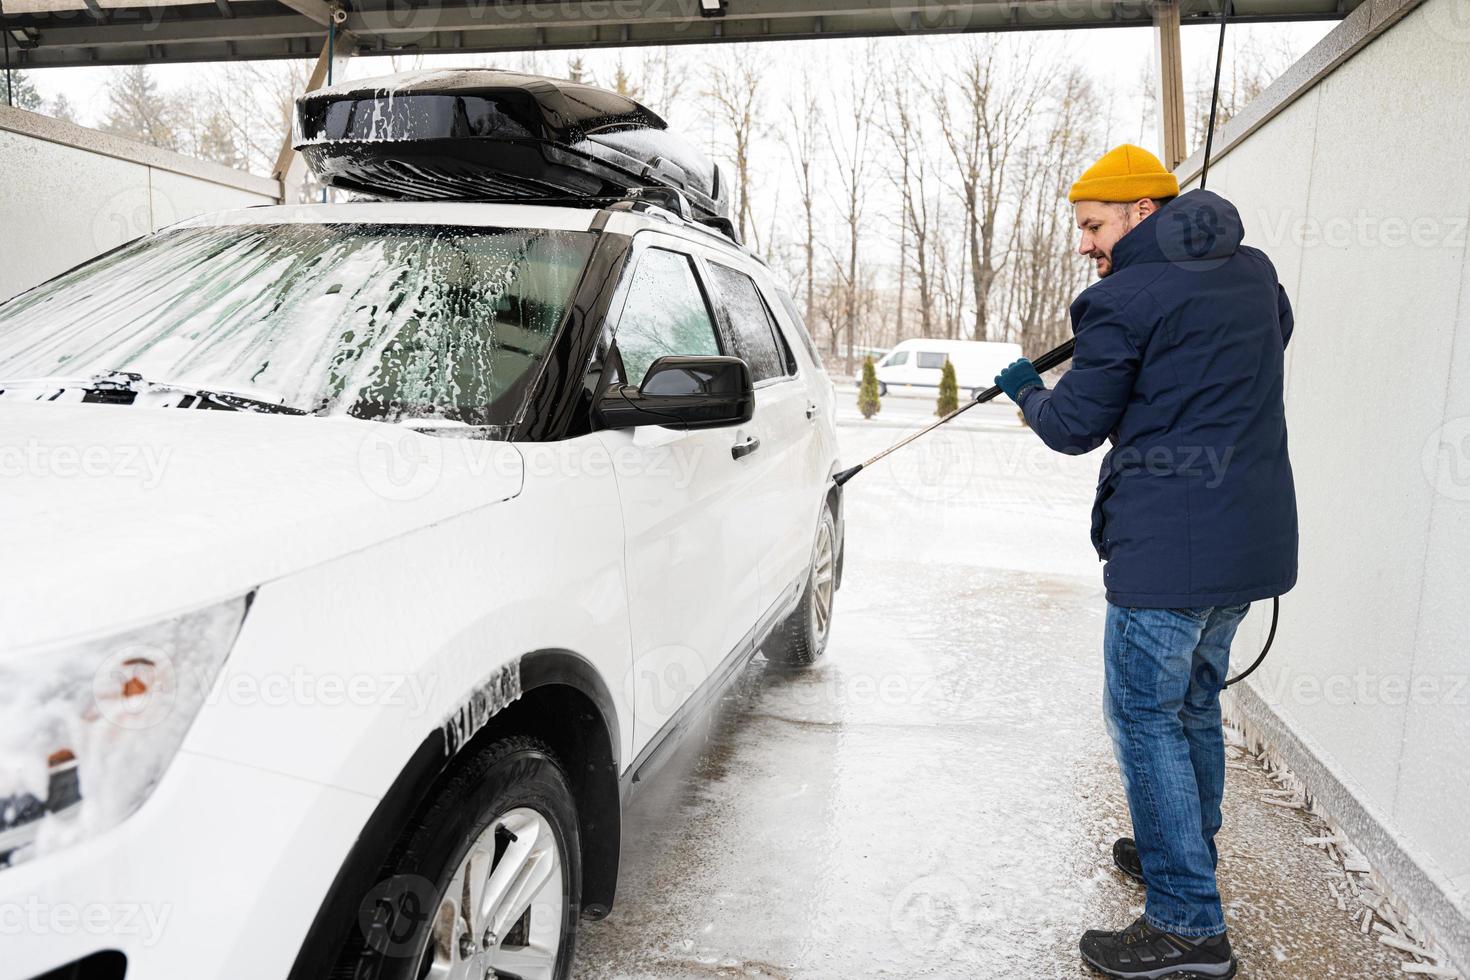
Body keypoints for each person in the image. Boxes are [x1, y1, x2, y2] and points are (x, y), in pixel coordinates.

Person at [994, 144, 1298, 979]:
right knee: (1194, 701)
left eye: (1093, 225)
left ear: (1142, 211)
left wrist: (1026, 387)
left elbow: (1071, 427)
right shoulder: (1254, 271)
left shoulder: (1119, 299)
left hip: (1169, 549)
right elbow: (1271, 337)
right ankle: (1184, 846)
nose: (1086, 243)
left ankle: (1188, 926)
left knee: (1144, 717)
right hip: (1250, 536)